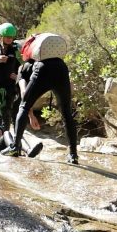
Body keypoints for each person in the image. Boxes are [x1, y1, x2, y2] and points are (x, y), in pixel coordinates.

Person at [9, 35, 78, 164]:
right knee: (67, 113)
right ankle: (73, 155)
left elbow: (24, 95)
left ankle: (14, 147)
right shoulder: (58, 61)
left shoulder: (23, 68)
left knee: (22, 107)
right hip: (61, 69)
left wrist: (30, 115)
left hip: (42, 70)